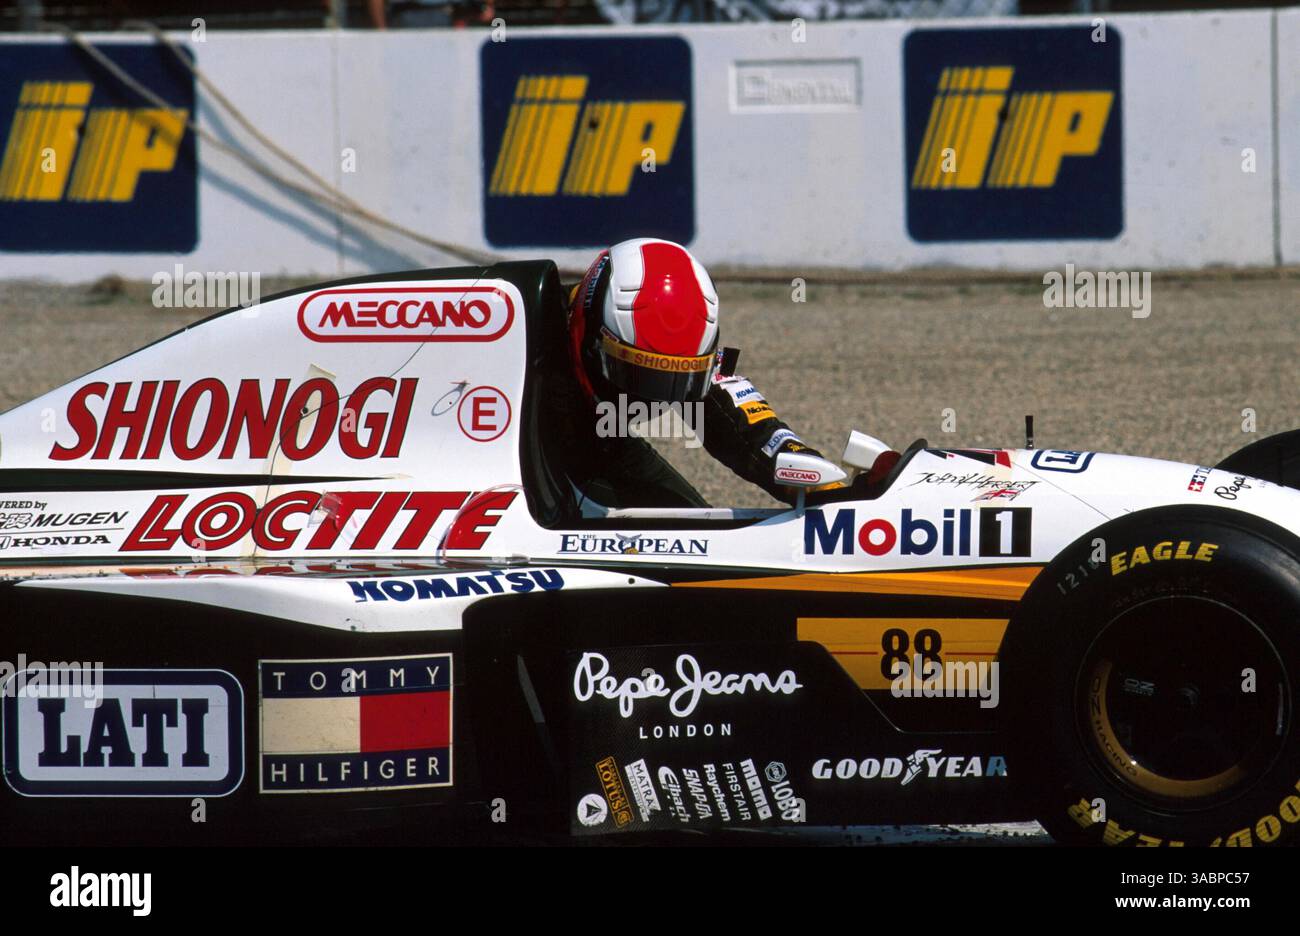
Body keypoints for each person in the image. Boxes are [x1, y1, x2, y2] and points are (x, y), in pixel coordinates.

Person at [546, 237, 863, 511]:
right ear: (587, 333)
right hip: (526, 452)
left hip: (601, 443)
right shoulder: (513, 330)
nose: (653, 396)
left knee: (696, 542)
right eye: (636, 377)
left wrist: (831, 492)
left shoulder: (686, 353)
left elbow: (747, 430)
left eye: (677, 382)